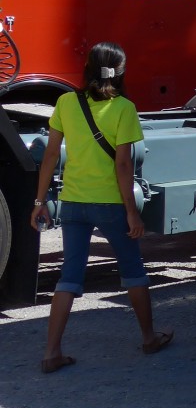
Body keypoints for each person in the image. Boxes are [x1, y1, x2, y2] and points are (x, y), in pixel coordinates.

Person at [30, 41, 173, 373]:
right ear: (121, 73)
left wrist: (39, 202)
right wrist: (132, 211)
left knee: (69, 277)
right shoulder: (124, 108)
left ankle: (51, 352)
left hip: (73, 204)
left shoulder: (66, 101)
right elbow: (123, 165)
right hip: (109, 205)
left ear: (87, 68)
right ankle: (149, 338)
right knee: (133, 270)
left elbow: (51, 155)